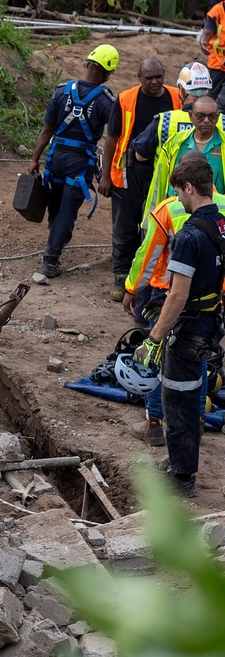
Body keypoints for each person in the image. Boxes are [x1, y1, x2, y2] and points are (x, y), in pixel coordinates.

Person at [133, 156, 225, 498]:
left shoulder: (188, 236)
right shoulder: (221, 224)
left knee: (178, 400)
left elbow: (177, 295)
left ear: (189, 188)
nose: (178, 201)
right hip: (209, 321)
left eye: (179, 193)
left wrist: (154, 339)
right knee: (192, 394)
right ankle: (178, 463)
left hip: (188, 328)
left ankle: (182, 478)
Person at [27, 45, 118, 278]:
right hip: (80, 163)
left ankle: (54, 243)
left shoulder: (62, 91)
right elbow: (113, 137)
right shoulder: (106, 101)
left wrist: (35, 159)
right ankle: (50, 259)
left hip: (55, 158)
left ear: (89, 64)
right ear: (106, 73)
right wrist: (107, 171)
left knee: (56, 205)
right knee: (67, 210)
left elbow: (47, 130)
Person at [99, 58, 180, 301]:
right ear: (139, 77)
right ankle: (121, 276)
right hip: (129, 172)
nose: (155, 82)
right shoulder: (125, 99)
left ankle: (149, 277)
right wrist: (105, 176)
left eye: (159, 76)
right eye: (149, 78)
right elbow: (111, 139)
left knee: (156, 225)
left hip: (161, 173)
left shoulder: (177, 97)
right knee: (124, 226)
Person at [145, 96, 225, 224]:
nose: (206, 120)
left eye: (212, 116)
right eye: (200, 116)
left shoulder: (223, 144)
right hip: (176, 218)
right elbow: (158, 184)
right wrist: (150, 221)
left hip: (214, 219)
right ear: (190, 116)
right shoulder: (174, 143)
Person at [133, 62, 213, 162]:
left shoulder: (164, 122)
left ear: (182, 90)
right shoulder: (222, 122)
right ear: (208, 90)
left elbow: (140, 156)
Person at [200, 0, 225, 101]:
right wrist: (203, 42)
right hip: (217, 63)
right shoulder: (217, 11)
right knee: (211, 98)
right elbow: (206, 33)